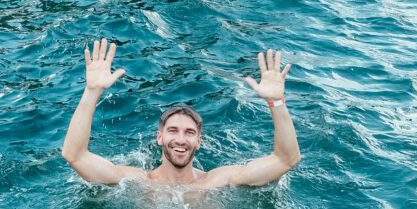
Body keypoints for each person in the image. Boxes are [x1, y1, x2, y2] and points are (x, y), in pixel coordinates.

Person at [62, 38, 301, 187]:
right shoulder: (137, 182)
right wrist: (92, 91)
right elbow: (75, 155)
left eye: (189, 133)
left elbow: (286, 159)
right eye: (173, 130)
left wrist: (276, 101)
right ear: (159, 137)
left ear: (199, 141)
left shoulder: (217, 181)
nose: (180, 139)